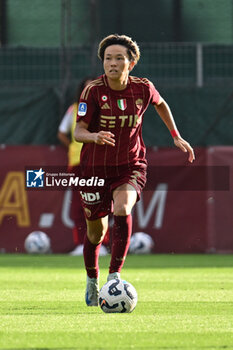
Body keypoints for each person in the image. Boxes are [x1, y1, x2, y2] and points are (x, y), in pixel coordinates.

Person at [74, 34, 195, 306]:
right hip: (94, 169)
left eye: (119, 58)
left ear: (132, 63)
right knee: (95, 234)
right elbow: (78, 131)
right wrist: (94, 136)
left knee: (123, 208)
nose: (112, 63)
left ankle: (114, 276)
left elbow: (161, 103)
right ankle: (92, 279)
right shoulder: (92, 90)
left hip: (130, 165)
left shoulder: (143, 88)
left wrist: (175, 135)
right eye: (108, 58)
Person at [57, 78, 109, 256]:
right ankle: (81, 243)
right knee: (79, 204)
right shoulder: (73, 109)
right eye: (86, 88)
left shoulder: (105, 108)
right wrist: (73, 146)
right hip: (77, 162)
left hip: (99, 162)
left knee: (101, 203)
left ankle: (102, 244)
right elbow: (62, 133)